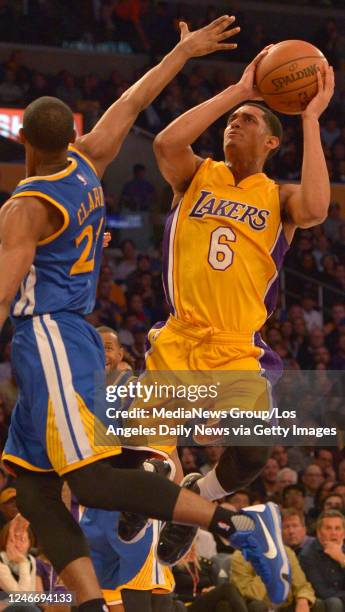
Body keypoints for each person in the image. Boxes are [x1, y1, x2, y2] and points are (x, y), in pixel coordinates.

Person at [0, 16, 287, 612]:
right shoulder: (88, 164)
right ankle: (88, 602)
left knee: (94, 482)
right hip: (63, 333)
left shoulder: (24, 208)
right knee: (34, 491)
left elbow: (4, 292)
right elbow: (132, 100)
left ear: (22, 138)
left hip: (48, 334)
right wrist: (181, 53)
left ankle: (226, 521)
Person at [129, 37, 334, 582]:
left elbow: (317, 206)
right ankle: (161, 502)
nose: (233, 125)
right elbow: (168, 142)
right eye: (231, 120)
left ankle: (203, 492)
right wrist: (238, 90)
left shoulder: (280, 197)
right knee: (143, 461)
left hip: (235, 346)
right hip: (178, 338)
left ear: (272, 140)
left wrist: (311, 117)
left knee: (250, 455)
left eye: (246, 120)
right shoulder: (196, 174)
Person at [299, 510, 345, 611]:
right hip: (322, 601)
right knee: (334, 602)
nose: (333, 532)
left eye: (337, 528)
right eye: (328, 528)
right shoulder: (307, 555)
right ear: (319, 533)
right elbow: (321, 591)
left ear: (344, 534)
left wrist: (342, 558)